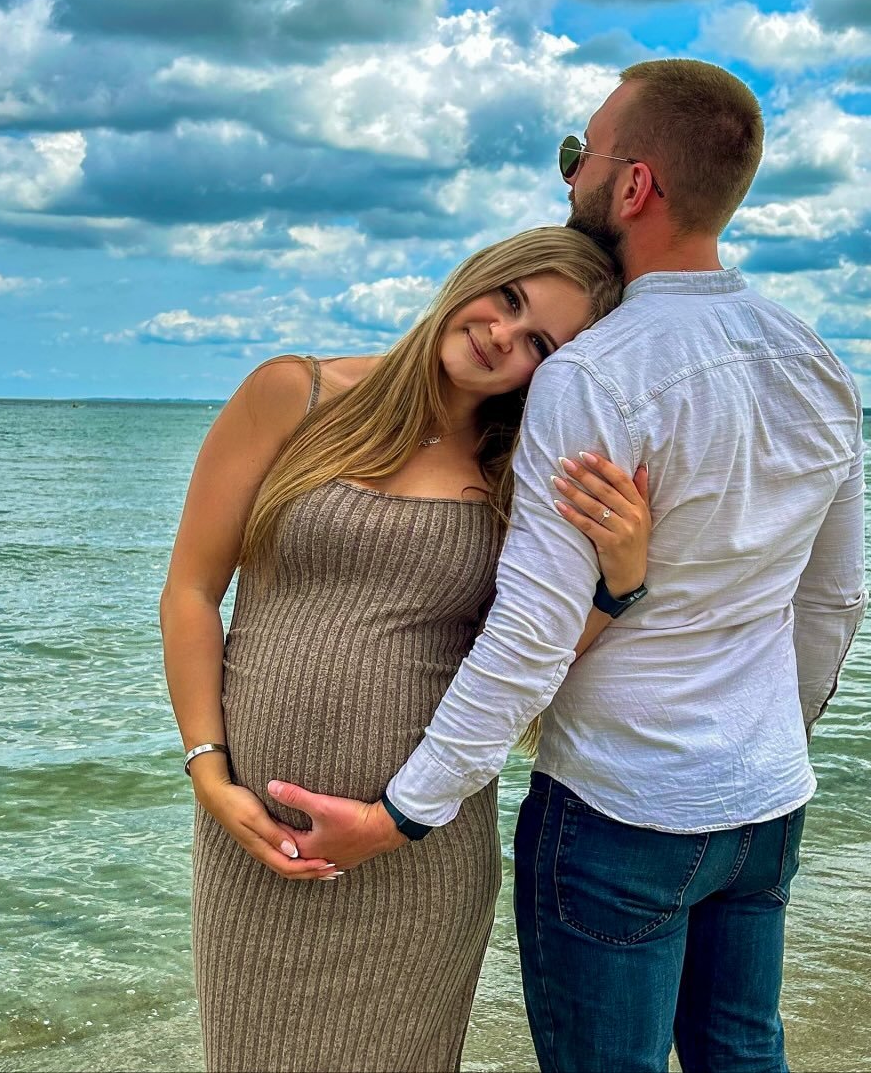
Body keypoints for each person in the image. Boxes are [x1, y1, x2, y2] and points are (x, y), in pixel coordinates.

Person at [271, 59, 868, 1073]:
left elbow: (532, 631)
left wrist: (403, 812)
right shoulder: (816, 361)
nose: (569, 176)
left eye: (577, 155)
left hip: (624, 803)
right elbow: (835, 600)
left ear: (633, 185)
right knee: (743, 1053)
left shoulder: (594, 373)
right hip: (766, 800)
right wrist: (773, 737)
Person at [159, 225, 655, 1073]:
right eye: (508, 299)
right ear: (477, 277)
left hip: (416, 857)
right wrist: (207, 770)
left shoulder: (517, 473)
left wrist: (620, 584)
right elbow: (191, 592)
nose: (503, 335)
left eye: (539, 343)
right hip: (258, 844)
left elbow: (526, 657)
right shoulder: (294, 395)